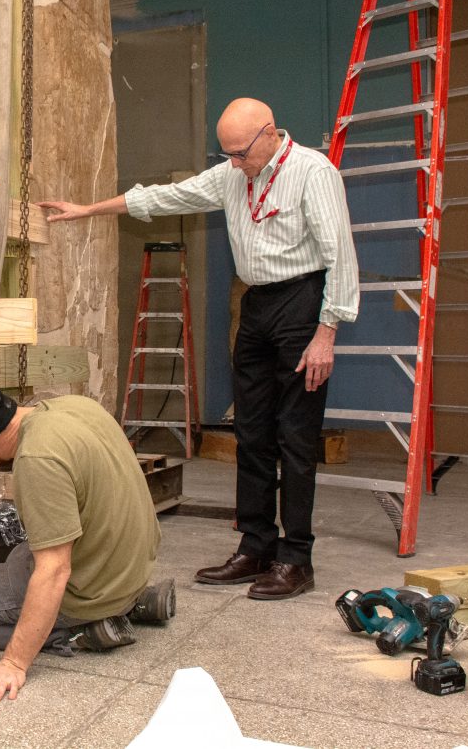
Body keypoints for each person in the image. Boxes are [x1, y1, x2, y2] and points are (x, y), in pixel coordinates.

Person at [38, 97, 359, 602]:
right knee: (251, 433)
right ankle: (255, 546)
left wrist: (327, 332)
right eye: (227, 154)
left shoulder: (312, 172)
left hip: (303, 305)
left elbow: (341, 255)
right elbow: (168, 197)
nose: (234, 163)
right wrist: (88, 210)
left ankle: (296, 558)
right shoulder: (233, 175)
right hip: (256, 305)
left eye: (240, 153)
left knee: (296, 437)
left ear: (269, 133)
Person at [0, 374, 176, 704]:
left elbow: (55, 570)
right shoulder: (78, 407)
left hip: (90, 590)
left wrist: (14, 663)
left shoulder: (37, 458)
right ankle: (134, 602)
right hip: (132, 569)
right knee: (23, 553)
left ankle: (80, 630)